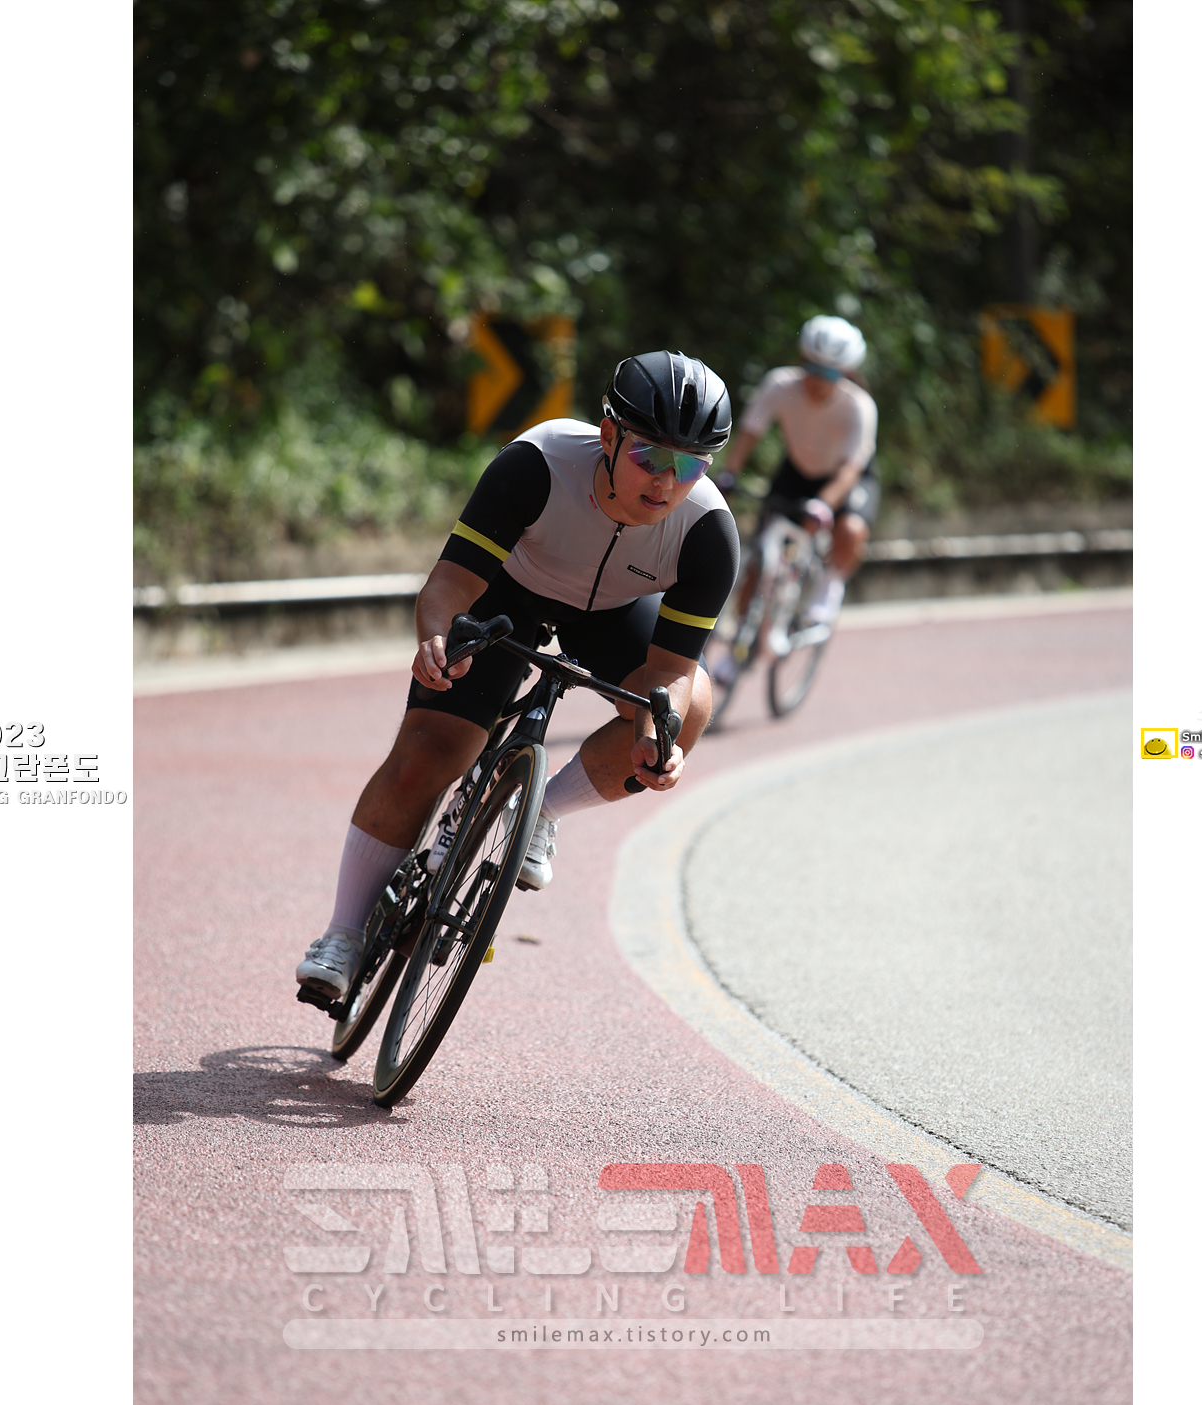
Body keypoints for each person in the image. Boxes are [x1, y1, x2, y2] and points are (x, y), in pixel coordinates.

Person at [295, 351, 739, 1006]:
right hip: (506, 594)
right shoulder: (539, 462)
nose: (666, 482)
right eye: (650, 456)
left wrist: (656, 735)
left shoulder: (708, 531)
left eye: (690, 465)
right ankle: (342, 933)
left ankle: (539, 813)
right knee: (427, 754)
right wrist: (437, 641)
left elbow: (670, 671)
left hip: (614, 616)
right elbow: (449, 585)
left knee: (689, 706)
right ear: (608, 435)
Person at [715, 315, 879, 632]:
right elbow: (749, 432)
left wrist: (824, 504)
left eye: (829, 372)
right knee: (761, 553)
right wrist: (729, 475)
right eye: (812, 367)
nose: (818, 379)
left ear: (846, 373)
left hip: (845, 476)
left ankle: (830, 586)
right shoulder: (779, 385)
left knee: (851, 529)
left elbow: (850, 470)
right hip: (797, 469)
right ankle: (740, 640)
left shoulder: (859, 406)